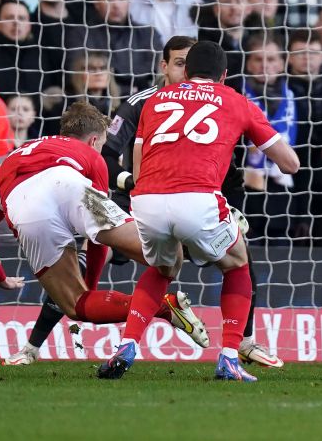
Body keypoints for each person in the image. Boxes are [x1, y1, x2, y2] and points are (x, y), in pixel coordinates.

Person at [3, 37, 286, 370]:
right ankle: (33, 346)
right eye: (179, 63)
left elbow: (232, 173)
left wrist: (230, 203)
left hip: (191, 201)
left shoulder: (218, 103)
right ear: (164, 67)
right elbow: (104, 155)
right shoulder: (143, 102)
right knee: (82, 262)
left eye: (189, 64)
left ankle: (246, 343)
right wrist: (129, 182)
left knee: (241, 254)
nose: (186, 71)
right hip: (134, 202)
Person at [97, 41, 299, 383]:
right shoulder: (237, 100)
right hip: (197, 196)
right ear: (224, 75)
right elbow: (289, 164)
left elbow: (138, 162)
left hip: (146, 199)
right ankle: (231, 355)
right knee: (237, 262)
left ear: (186, 72)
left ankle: (128, 344)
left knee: (164, 267)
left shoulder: (155, 100)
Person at [0, 102, 209, 353]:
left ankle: (165, 307)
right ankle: (189, 224)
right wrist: (92, 285)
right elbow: (98, 239)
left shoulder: (19, 154)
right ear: (95, 140)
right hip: (73, 186)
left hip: (25, 202)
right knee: (166, 258)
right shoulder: (94, 157)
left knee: (76, 305)